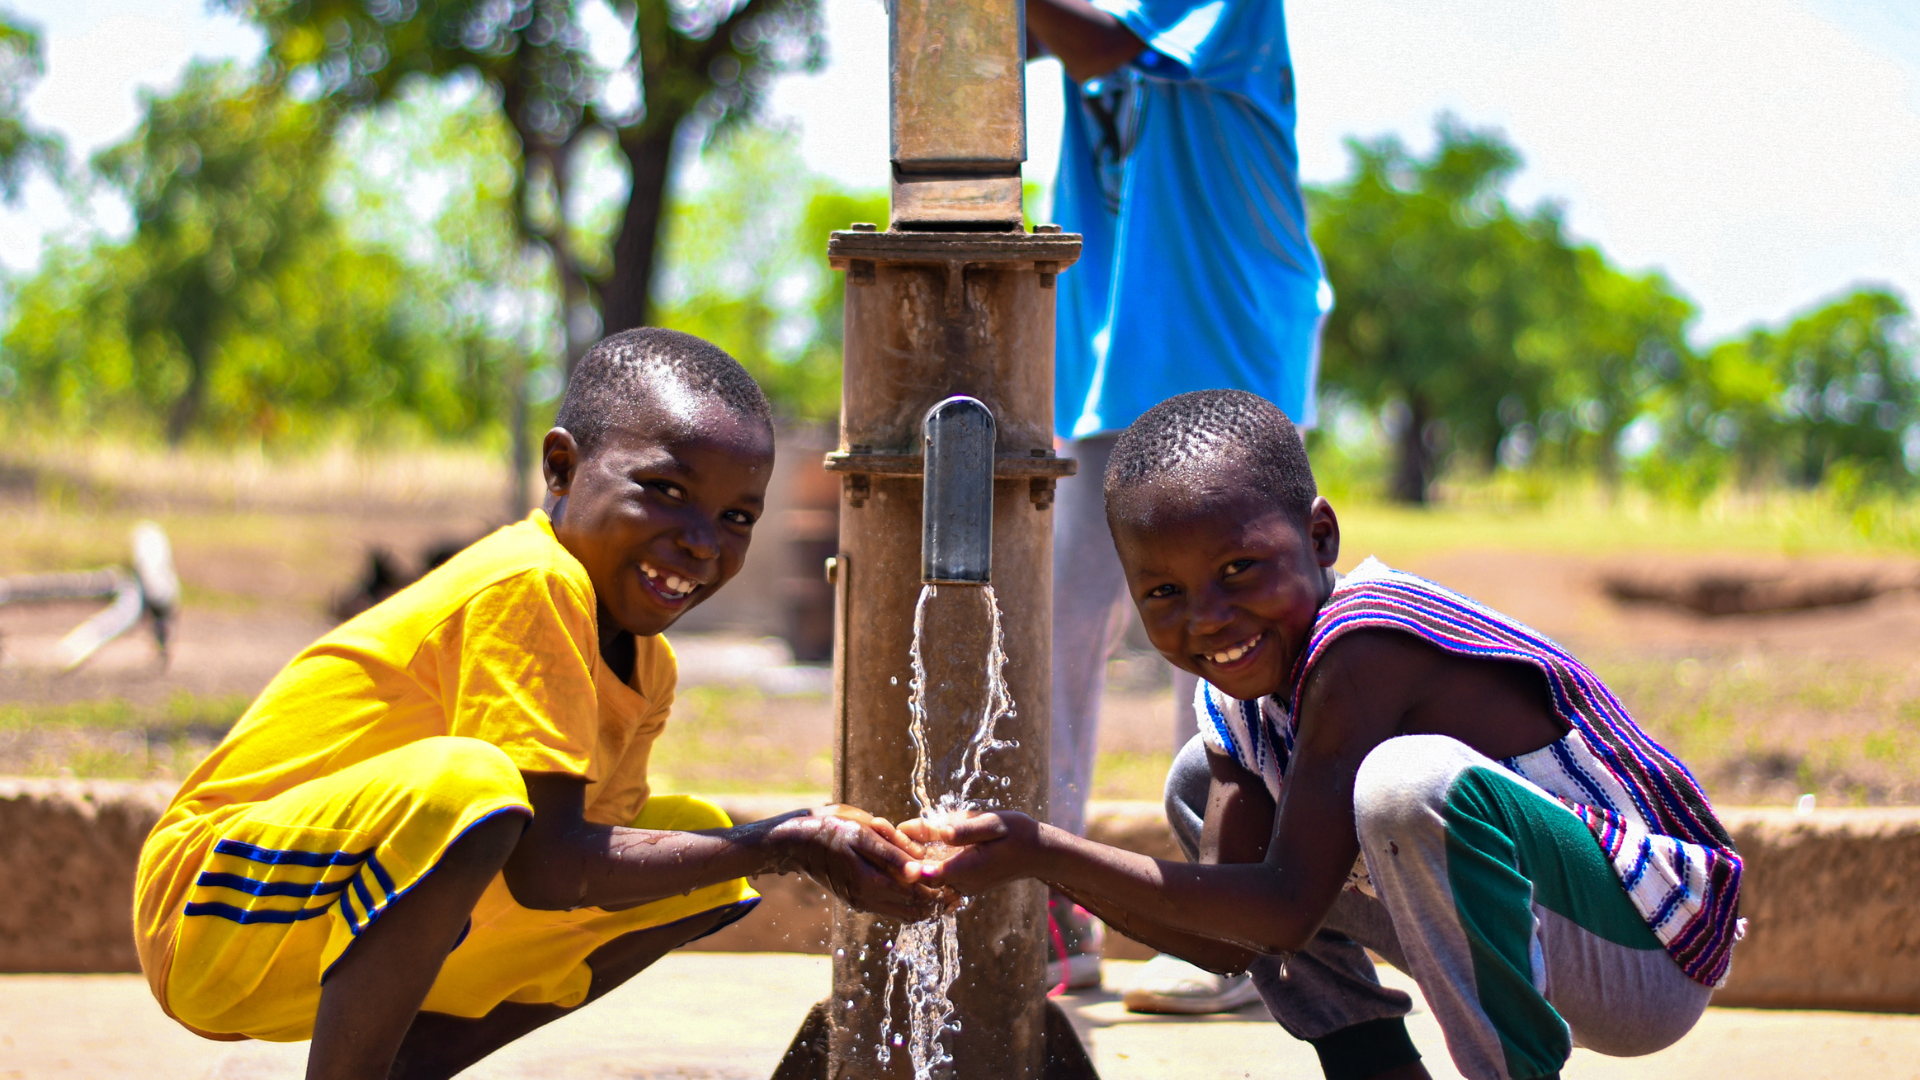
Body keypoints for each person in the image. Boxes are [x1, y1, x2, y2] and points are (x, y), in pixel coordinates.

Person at [132, 328, 938, 1080]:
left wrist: (772, 845)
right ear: (560, 470)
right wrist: (786, 840)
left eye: (736, 517)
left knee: (695, 855)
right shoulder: (533, 578)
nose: (701, 540)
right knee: (474, 788)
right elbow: (550, 866)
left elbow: (575, 869)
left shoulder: (645, 663)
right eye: (664, 490)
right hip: (209, 905)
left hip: (312, 922)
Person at [911, 390, 1744, 1080]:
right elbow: (1229, 939)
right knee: (1199, 780)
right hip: (1543, 938)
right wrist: (1027, 860)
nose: (1209, 619)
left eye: (1240, 570)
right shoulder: (1238, 696)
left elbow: (1282, 909)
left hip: (1646, 945)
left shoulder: (1366, 644)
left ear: (1320, 538)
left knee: (1402, 787)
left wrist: (1044, 852)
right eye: (1164, 592)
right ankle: (1374, 1067)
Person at [1026, 0, 1333, 1005]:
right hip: (1110, 366)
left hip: (1224, 348)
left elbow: (1107, 44)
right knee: (1055, 634)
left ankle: (1226, 926)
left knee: (1220, 646)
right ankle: (1050, 914)